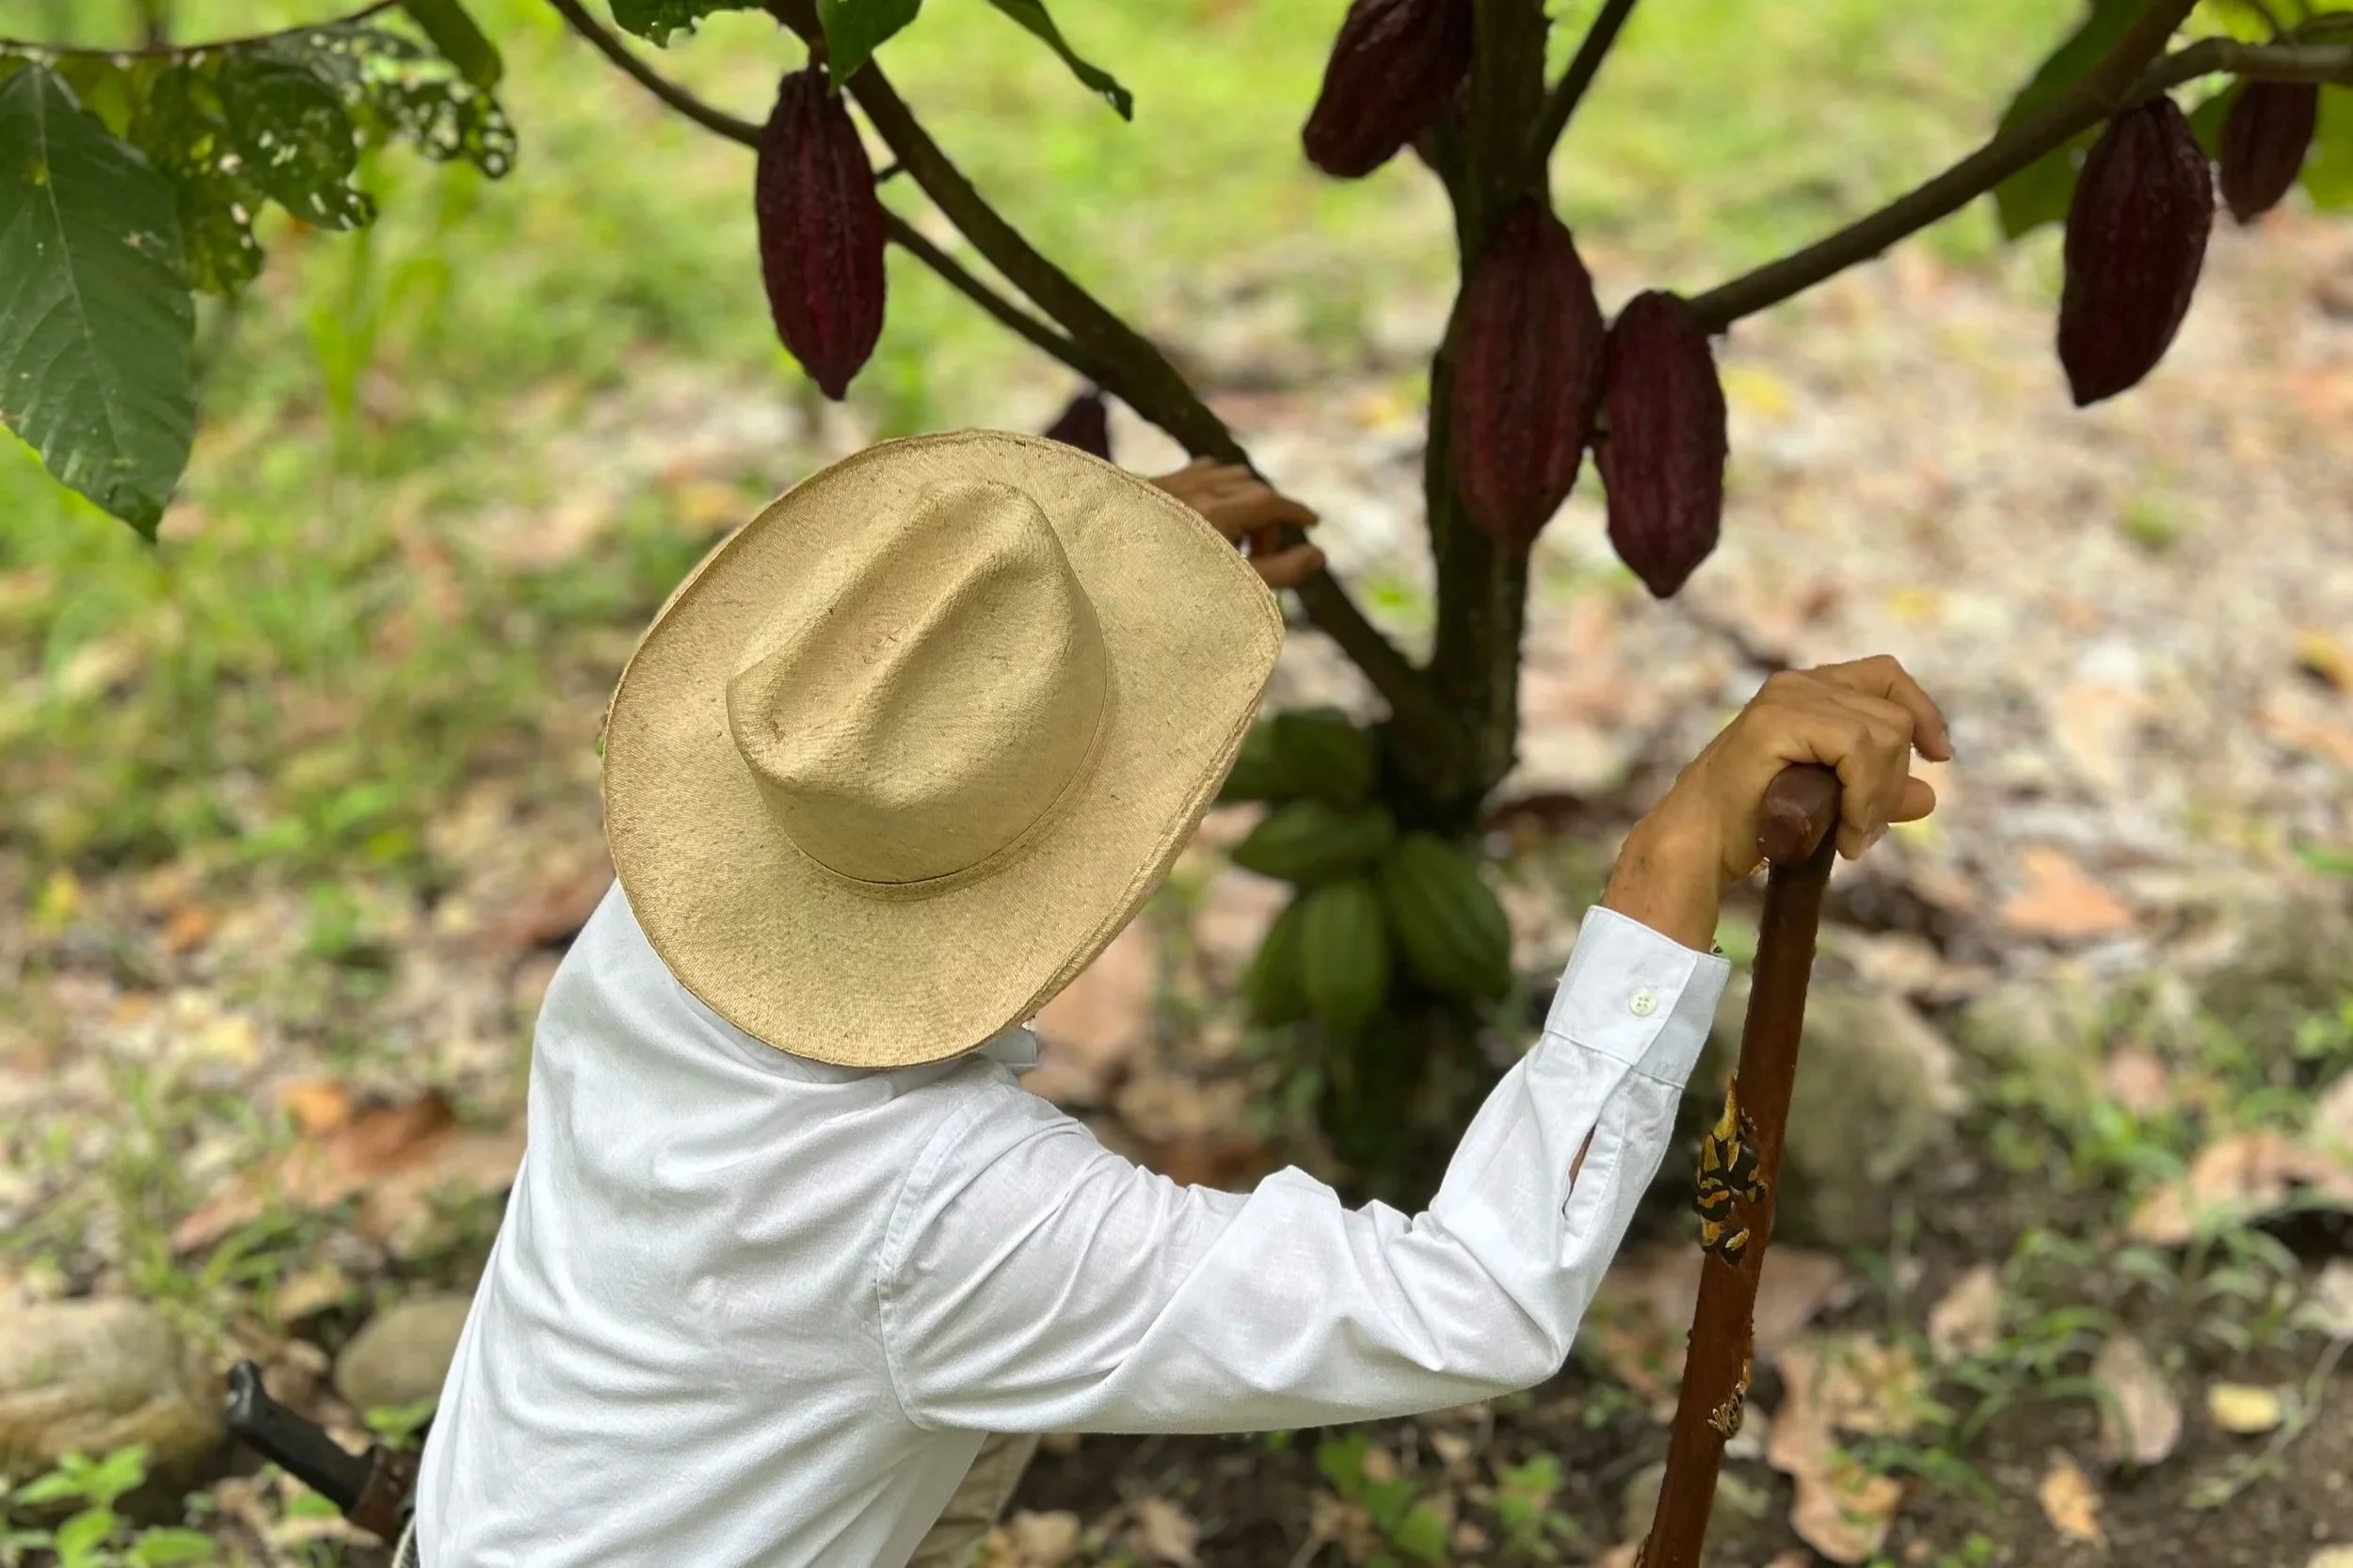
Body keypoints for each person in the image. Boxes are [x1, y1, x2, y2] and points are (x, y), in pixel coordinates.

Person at [409, 429, 1950, 1567]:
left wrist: (1093, 583)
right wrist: (1675, 847)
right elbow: (1470, 1301)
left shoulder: (666, 921)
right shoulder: (926, 1213)